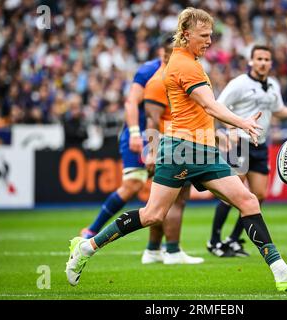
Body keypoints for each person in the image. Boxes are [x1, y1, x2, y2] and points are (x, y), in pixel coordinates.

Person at [65, 7, 287, 292]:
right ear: (186, 35)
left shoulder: (186, 59)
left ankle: (281, 272)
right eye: (204, 35)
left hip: (202, 147)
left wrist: (219, 136)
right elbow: (209, 105)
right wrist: (243, 123)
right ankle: (87, 248)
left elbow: (202, 112)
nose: (210, 41)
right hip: (182, 149)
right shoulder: (185, 65)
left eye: (211, 35)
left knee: (248, 201)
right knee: (153, 215)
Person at [80, 34, 202, 264]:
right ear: (162, 53)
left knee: (164, 194)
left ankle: (154, 249)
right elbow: (131, 102)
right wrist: (137, 133)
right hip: (145, 136)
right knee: (136, 185)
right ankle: (91, 232)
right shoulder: (149, 72)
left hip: (168, 137)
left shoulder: (186, 69)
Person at [207, 45, 287, 258]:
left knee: (259, 195)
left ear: (271, 63)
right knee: (231, 195)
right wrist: (230, 130)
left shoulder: (272, 85)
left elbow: (277, 110)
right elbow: (217, 107)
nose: (263, 62)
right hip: (241, 143)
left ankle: (233, 239)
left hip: (260, 145)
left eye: (266, 59)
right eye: (259, 58)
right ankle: (214, 241)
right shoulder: (239, 84)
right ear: (251, 62)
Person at [141, 39, 203, 265]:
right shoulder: (161, 80)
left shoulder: (167, 77)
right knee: (176, 202)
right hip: (173, 146)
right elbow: (151, 120)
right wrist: (151, 152)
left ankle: (153, 250)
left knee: (159, 204)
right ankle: (173, 251)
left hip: (173, 144)